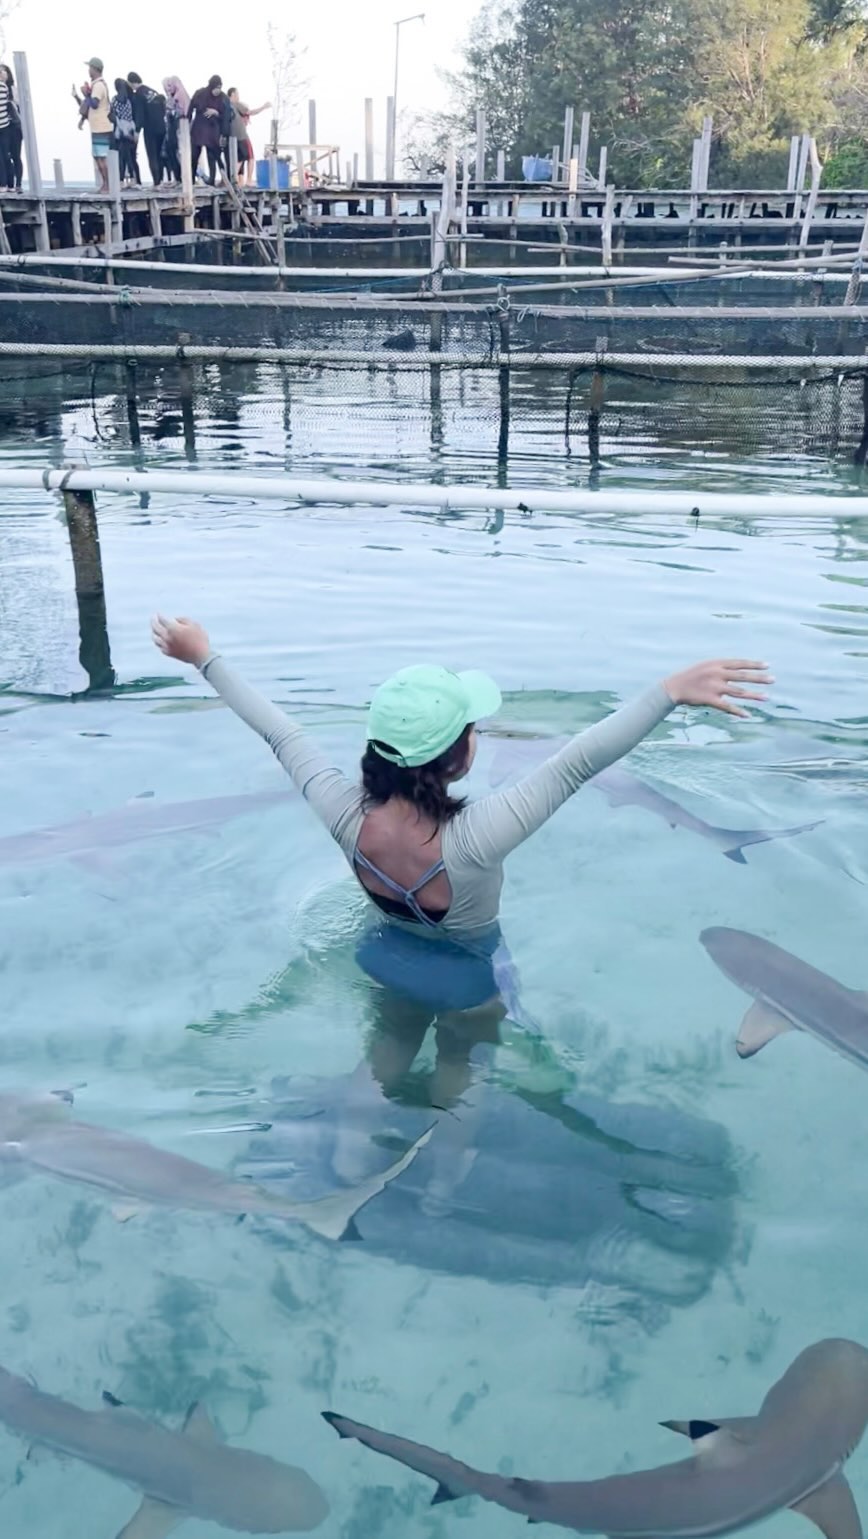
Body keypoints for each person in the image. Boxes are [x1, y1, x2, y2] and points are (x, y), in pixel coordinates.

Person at [150, 616, 771, 1109]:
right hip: (469, 981)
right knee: (459, 1073)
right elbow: (580, 760)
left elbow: (281, 733)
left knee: (386, 1056)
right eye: (473, 727)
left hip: (386, 958)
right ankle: (443, 1176)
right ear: (459, 758)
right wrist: (667, 693)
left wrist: (205, 657)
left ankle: (354, 1144)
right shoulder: (479, 837)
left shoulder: (342, 814)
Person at [73, 57, 111, 193]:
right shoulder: (96, 85)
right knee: (97, 156)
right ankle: (105, 184)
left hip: (101, 126)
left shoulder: (99, 85)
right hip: (97, 126)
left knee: (101, 156)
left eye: (90, 68)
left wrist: (86, 94)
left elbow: (94, 104)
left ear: (95, 69)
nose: (88, 70)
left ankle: (107, 185)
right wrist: (83, 119)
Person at [189, 75, 232, 185]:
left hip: (213, 130)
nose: (217, 90)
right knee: (194, 155)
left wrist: (216, 113)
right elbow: (191, 107)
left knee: (214, 155)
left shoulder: (223, 98)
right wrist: (187, 122)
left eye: (219, 88)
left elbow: (228, 116)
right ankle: (191, 179)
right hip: (199, 129)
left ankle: (214, 179)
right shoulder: (200, 94)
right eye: (216, 88)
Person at [127, 73, 166, 184]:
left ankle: (156, 183)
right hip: (161, 126)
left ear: (131, 83)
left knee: (152, 155)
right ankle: (161, 180)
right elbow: (163, 107)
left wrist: (137, 131)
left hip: (150, 128)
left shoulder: (139, 95)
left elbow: (140, 114)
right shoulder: (153, 91)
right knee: (159, 155)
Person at [226, 88, 270, 185]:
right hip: (241, 135)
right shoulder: (236, 104)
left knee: (239, 157)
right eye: (237, 94)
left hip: (231, 136)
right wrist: (263, 107)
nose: (238, 96)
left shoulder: (226, 105)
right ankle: (244, 179)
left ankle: (236, 179)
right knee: (248, 156)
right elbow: (250, 112)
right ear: (233, 94)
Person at [109, 78, 140, 186]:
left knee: (121, 156)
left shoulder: (115, 100)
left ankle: (121, 180)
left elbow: (112, 114)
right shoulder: (128, 101)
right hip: (129, 128)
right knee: (129, 156)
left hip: (119, 129)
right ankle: (132, 178)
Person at [161, 76, 190, 184]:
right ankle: (181, 178)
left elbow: (172, 111)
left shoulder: (177, 96)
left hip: (177, 128)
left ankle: (179, 178)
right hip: (181, 128)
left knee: (176, 152)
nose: (168, 89)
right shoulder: (184, 94)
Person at [0, 63, 21, 191]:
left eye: (3, 71)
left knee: (13, 156)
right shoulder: (5, 88)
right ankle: (8, 183)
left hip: (12, 126)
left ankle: (14, 184)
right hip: (6, 125)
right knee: (5, 156)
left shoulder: (10, 89)